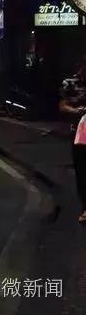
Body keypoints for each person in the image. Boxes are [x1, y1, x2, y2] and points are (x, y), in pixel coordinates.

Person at [59, 74, 86, 224]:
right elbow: (62, 105)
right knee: (82, 173)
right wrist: (76, 111)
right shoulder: (70, 83)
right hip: (80, 136)